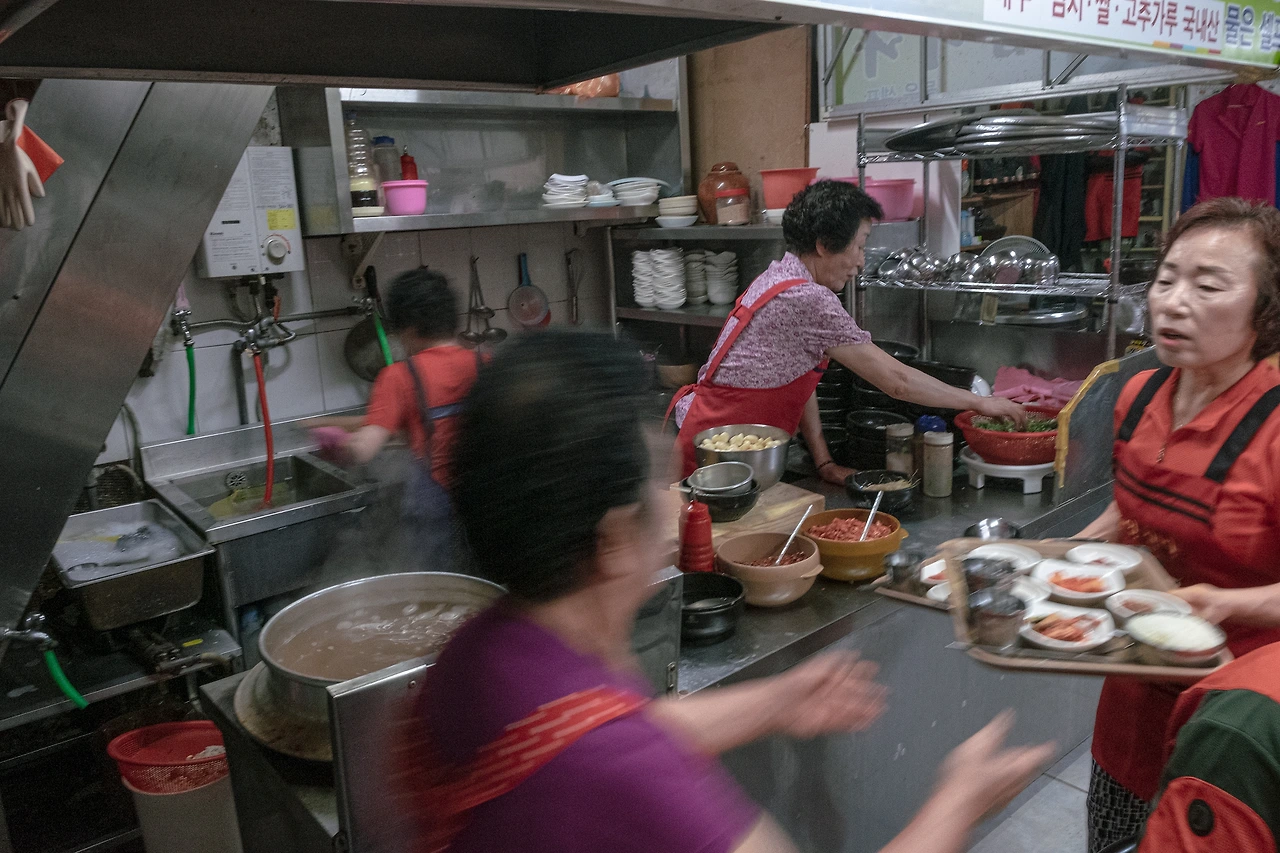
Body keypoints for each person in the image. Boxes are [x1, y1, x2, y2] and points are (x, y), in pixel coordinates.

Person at [407, 328, 1053, 853]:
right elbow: (614, 754)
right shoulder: (625, 773)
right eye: (660, 488)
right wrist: (958, 801)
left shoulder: (475, 654)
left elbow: (598, 731)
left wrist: (774, 699)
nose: (673, 506)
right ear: (614, 537)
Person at [1075, 197, 1280, 853]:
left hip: (1237, 718)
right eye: (1166, 279)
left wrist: (1225, 602)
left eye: (1208, 286)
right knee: (1112, 834)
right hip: (1131, 695)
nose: (1173, 302)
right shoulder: (1138, 394)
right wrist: (1061, 554)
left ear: (1265, 309)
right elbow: (1130, 509)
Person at [670, 179, 1025, 482]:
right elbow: (897, 382)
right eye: (859, 245)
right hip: (719, 461)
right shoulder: (808, 298)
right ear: (824, 244)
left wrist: (823, 462)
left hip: (724, 447)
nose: (860, 261)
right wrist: (979, 402)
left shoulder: (778, 276)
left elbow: (798, 378)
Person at [312, 269, 481, 571]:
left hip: (435, 514)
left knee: (439, 591)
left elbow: (363, 450)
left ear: (408, 328)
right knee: (483, 589)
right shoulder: (484, 363)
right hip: (485, 504)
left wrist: (336, 442)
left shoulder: (399, 376)